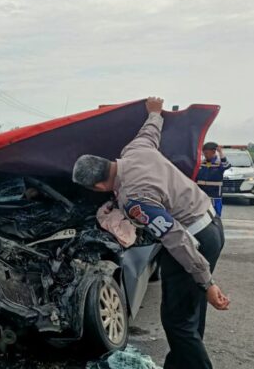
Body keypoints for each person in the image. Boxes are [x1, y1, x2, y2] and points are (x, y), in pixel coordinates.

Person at [72, 97, 230, 369]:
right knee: (188, 315)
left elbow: (177, 239)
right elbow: (150, 132)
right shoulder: (135, 150)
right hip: (210, 223)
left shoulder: (135, 200)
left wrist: (207, 282)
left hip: (194, 240)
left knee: (177, 321)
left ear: (98, 186)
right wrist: (154, 112)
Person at [196, 142, 231, 217]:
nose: (205, 155)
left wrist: (220, 152)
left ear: (213, 152)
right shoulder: (201, 163)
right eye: (204, 153)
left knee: (216, 215)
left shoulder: (219, 163)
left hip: (215, 196)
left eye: (207, 153)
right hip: (202, 195)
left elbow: (227, 165)